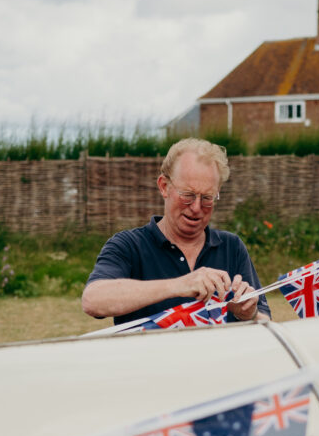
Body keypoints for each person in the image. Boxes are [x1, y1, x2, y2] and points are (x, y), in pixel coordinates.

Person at [82, 138, 270, 326]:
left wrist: (249, 314)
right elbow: (93, 300)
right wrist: (180, 285)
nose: (196, 207)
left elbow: (266, 322)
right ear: (164, 186)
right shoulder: (129, 245)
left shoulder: (232, 247)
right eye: (187, 195)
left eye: (207, 197)